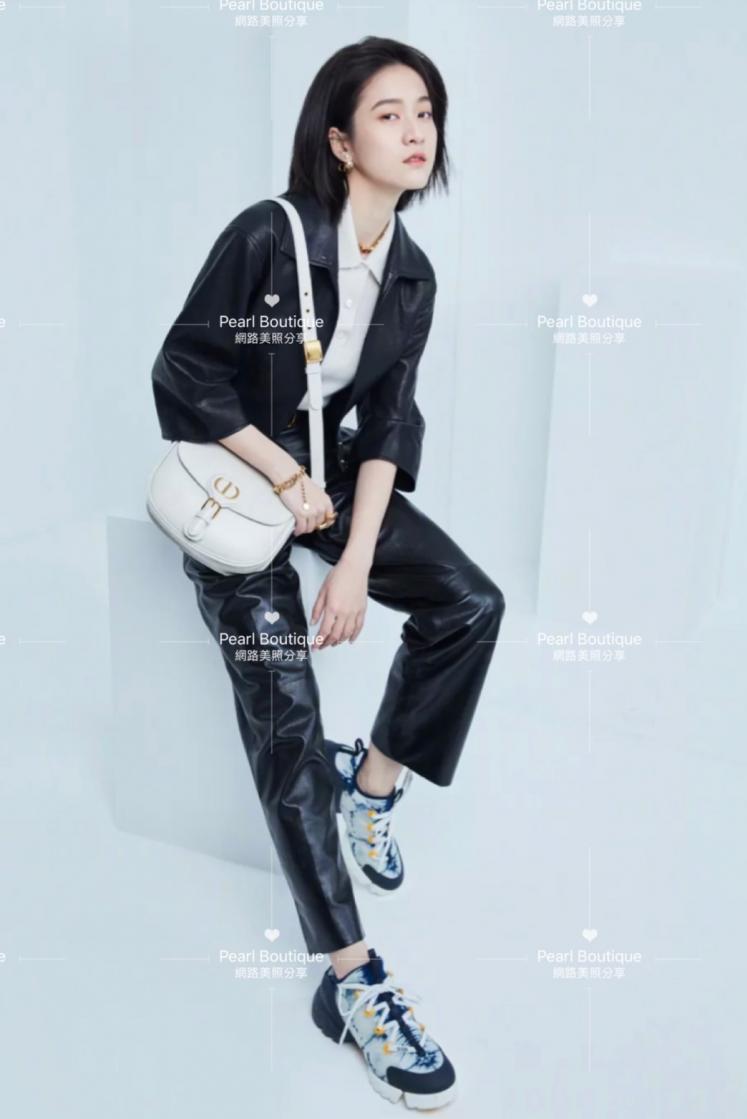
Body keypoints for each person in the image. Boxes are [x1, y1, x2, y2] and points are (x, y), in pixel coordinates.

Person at [150, 35, 505, 1111]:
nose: (416, 130)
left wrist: (350, 561)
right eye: (390, 114)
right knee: (287, 719)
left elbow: (389, 424)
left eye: (427, 111)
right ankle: (350, 982)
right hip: (234, 484)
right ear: (341, 140)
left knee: (469, 603)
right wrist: (288, 481)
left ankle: (375, 786)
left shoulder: (412, 272)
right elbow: (185, 370)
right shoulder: (271, 234)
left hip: (323, 475)